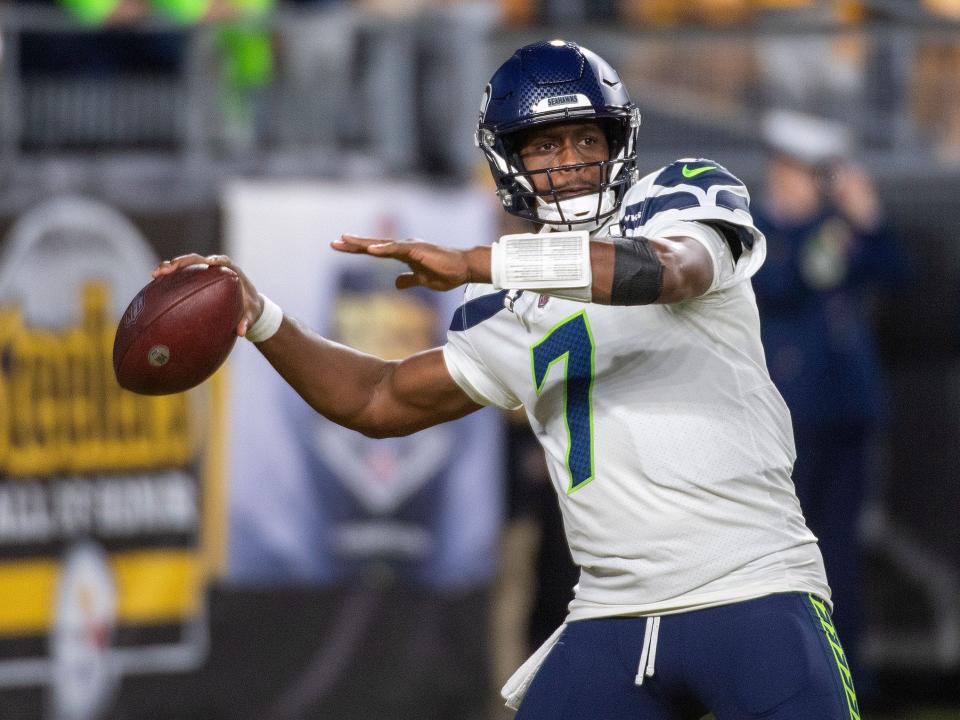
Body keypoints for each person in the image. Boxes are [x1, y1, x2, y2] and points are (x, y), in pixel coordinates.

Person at [156, 40, 860, 719]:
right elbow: (379, 398)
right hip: (611, 613)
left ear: (619, 141)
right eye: (545, 146)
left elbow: (667, 272)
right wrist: (261, 317)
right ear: (509, 161)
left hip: (752, 586)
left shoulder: (678, 197)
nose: (572, 162)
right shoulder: (506, 306)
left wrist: (482, 261)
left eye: (587, 139)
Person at [752, 109, 909, 701]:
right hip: (789, 422)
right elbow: (791, 281)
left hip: (846, 412)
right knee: (784, 565)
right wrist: (838, 226)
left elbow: (896, 271)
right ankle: (786, 686)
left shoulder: (835, 227)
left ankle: (845, 685)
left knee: (840, 558)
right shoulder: (761, 232)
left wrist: (867, 220)